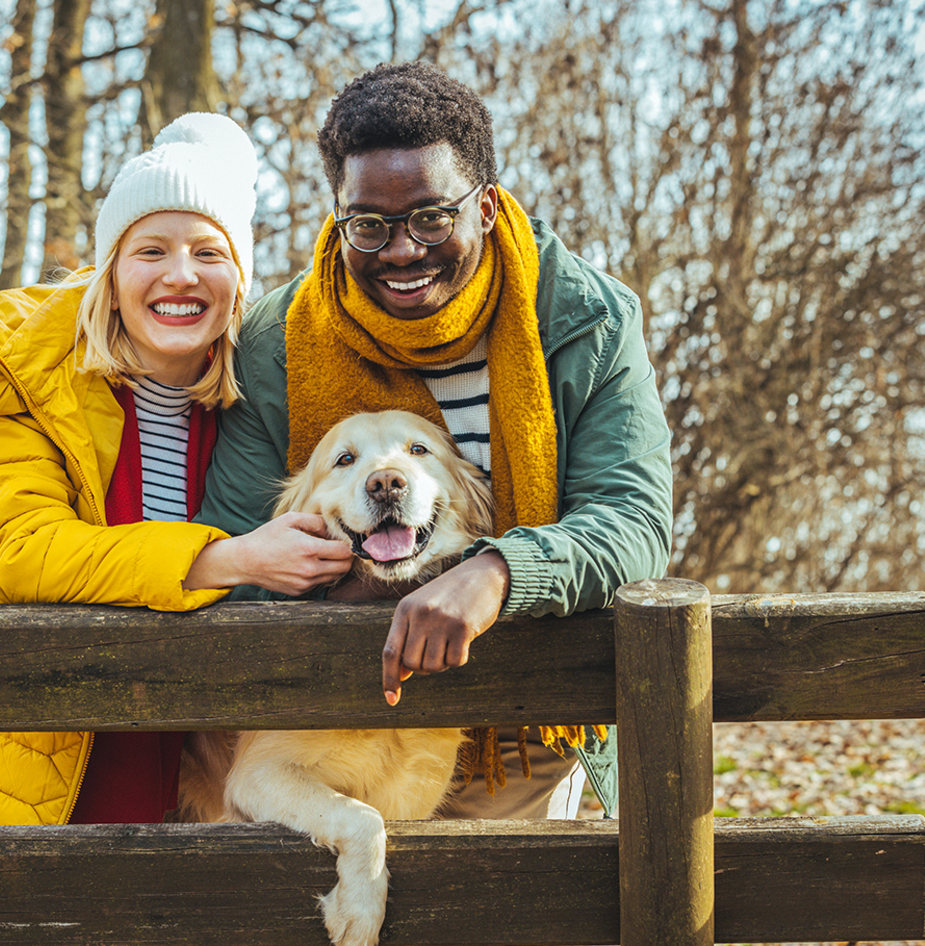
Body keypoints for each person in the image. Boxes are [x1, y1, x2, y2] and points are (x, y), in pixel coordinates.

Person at [0, 113, 353, 827]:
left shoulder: (254, 402)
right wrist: (233, 558)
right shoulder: (21, 367)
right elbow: (20, 553)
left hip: (120, 741)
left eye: (209, 252)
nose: (181, 275)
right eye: (150, 250)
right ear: (111, 268)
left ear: (239, 278)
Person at [197, 63, 674, 819]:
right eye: (369, 225)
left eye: (430, 217)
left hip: (523, 718)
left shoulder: (587, 322)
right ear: (339, 216)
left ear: (484, 207)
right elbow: (226, 543)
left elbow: (634, 524)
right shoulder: (275, 343)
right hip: (328, 719)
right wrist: (349, 579)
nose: (400, 252)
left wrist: (497, 573)